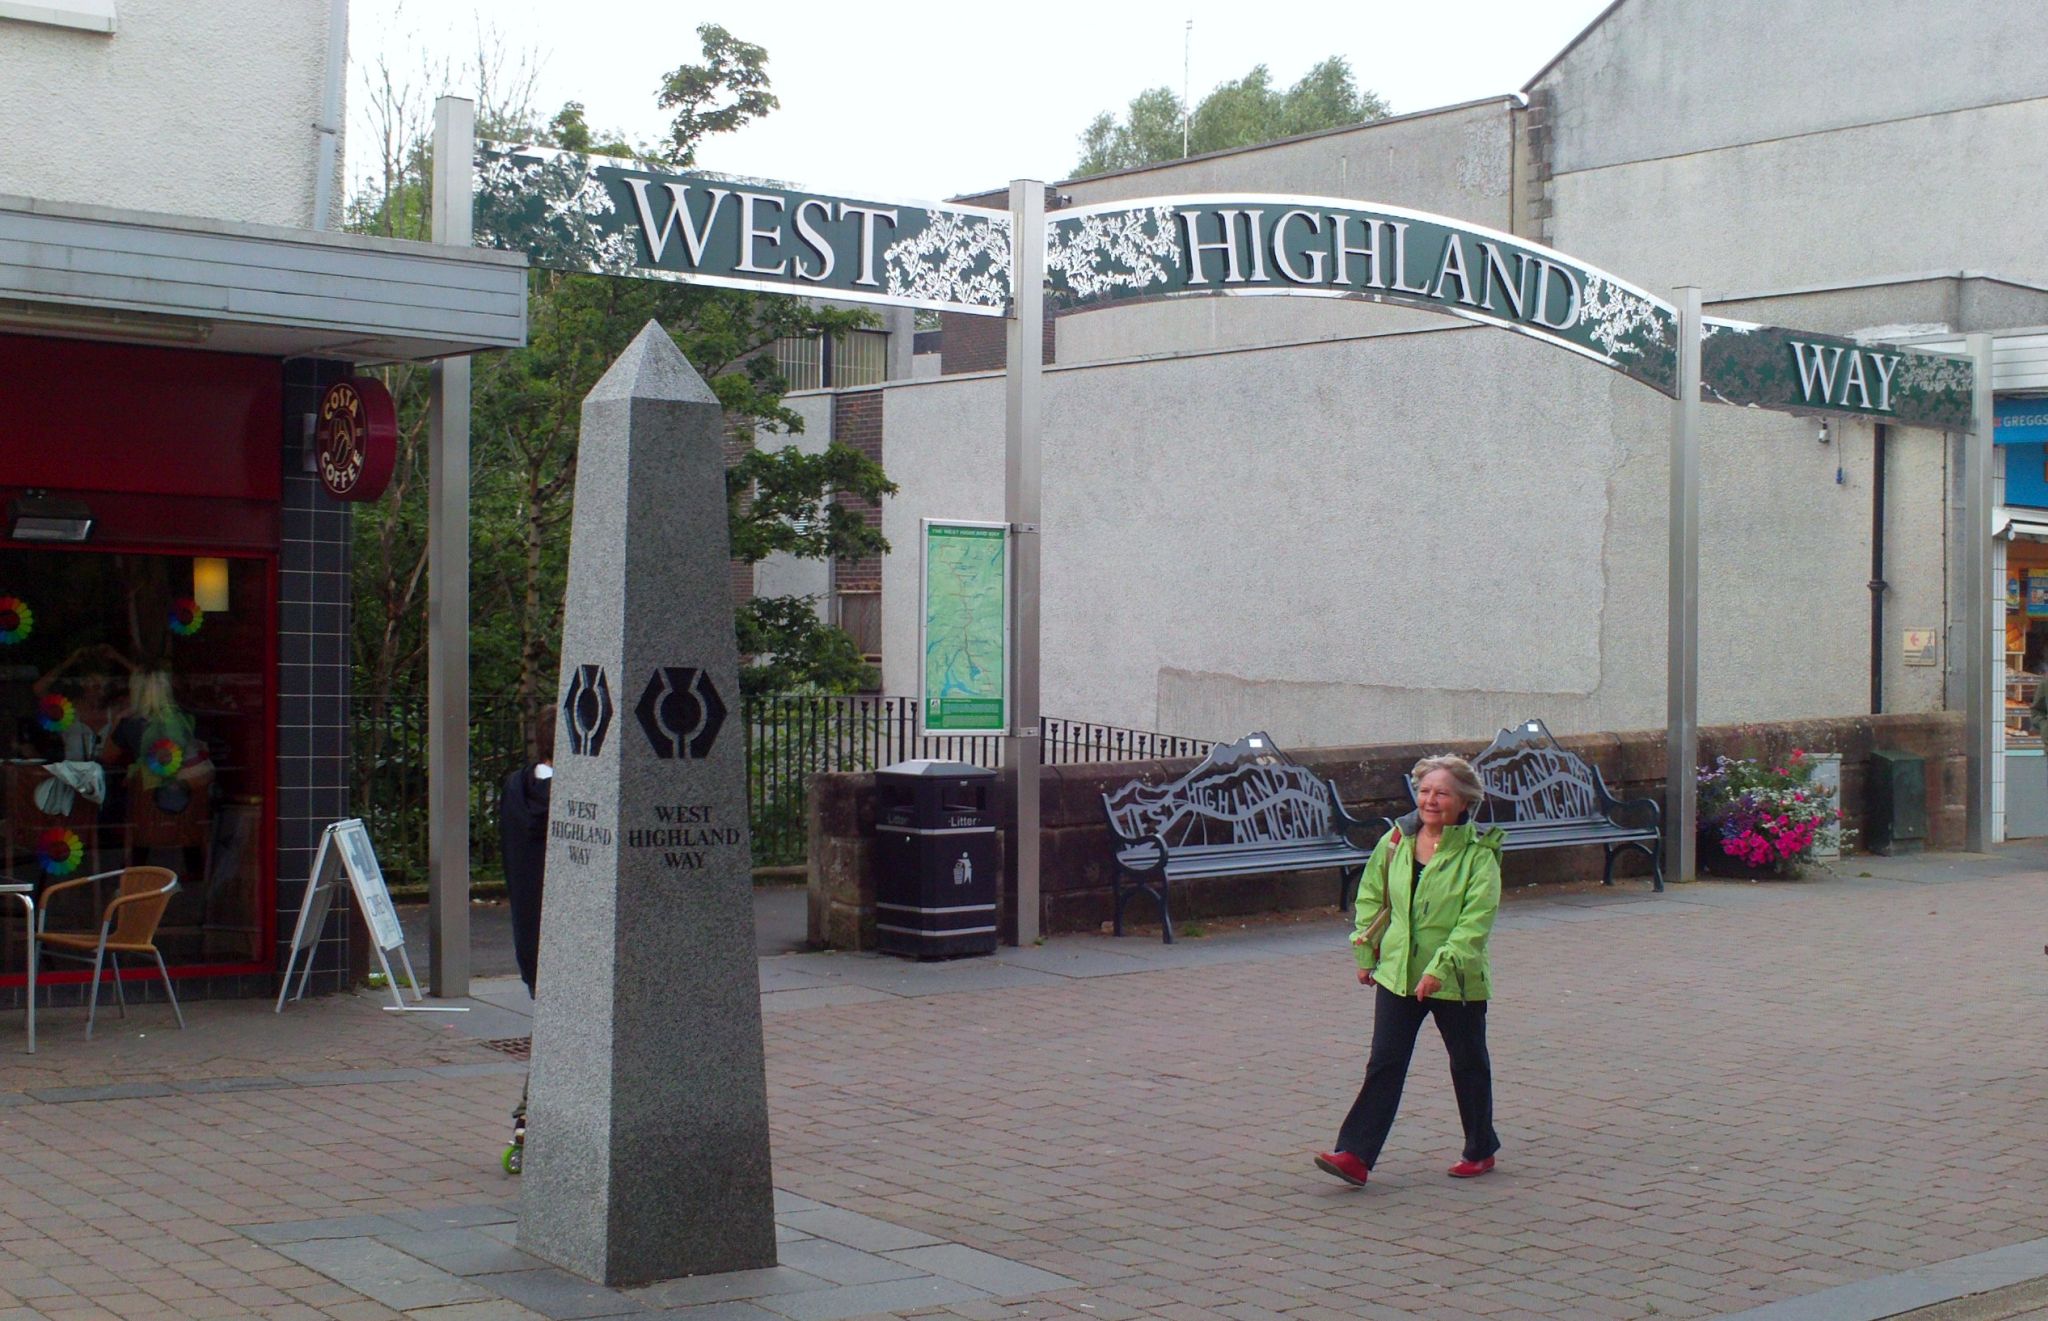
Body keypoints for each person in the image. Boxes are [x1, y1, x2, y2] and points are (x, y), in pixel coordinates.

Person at [1315, 754, 1504, 1187]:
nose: (1430, 800)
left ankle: (1480, 1147)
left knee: (1468, 1062)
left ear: (1463, 802)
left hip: (1455, 979)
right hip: (1398, 973)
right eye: (1424, 791)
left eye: (1442, 793)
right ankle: (1355, 1156)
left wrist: (1440, 969)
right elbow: (1371, 898)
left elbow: (1474, 924)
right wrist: (1366, 954)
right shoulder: (1396, 840)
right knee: (1385, 1062)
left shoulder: (1479, 856)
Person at [498, 714, 553, 1155]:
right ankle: (531, 1115)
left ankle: (529, 1118)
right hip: (566, 936)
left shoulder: (517, 788)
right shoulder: (574, 800)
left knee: (554, 1027)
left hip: (530, 934)